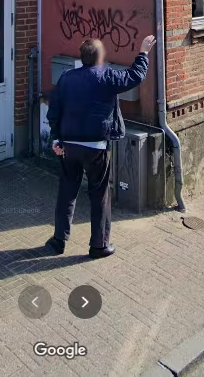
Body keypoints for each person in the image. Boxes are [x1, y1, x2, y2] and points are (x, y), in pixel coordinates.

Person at [46, 34, 156, 258]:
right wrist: (143, 52)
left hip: (69, 147)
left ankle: (58, 241)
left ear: (83, 57)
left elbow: (54, 111)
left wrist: (56, 139)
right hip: (96, 148)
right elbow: (135, 76)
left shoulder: (66, 78)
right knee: (99, 195)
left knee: (67, 192)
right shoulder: (107, 76)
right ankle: (99, 245)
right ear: (99, 58)